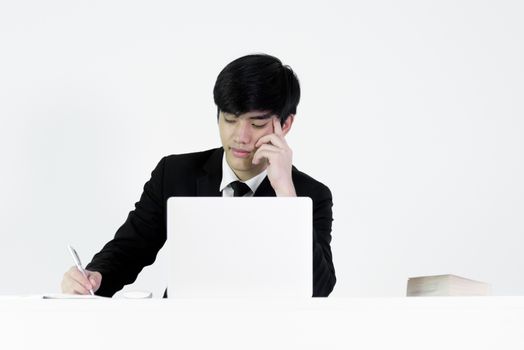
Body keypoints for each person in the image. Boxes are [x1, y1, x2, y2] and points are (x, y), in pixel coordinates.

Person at [61, 53, 336, 297]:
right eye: (229, 119)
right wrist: (94, 277)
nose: (240, 137)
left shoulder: (310, 195)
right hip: (182, 330)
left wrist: (286, 194)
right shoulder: (175, 174)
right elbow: (129, 250)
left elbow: (320, 289)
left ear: (285, 124)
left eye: (257, 123)